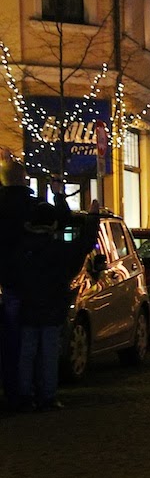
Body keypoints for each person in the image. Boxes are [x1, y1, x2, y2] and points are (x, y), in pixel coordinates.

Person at [15, 184, 99, 411]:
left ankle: (24, 395)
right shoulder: (58, 249)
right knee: (49, 352)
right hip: (52, 306)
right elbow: (84, 245)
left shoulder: (21, 249)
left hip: (27, 306)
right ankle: (47, 395)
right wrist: (92, 218)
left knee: (27, 351)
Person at [0, 151, 41, 410]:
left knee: (9, 341)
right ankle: (26, 393)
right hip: (29, 281)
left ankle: (12, 390)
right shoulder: (31, 208)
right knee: (30, 341)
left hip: (6, 281)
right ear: (23, 179)